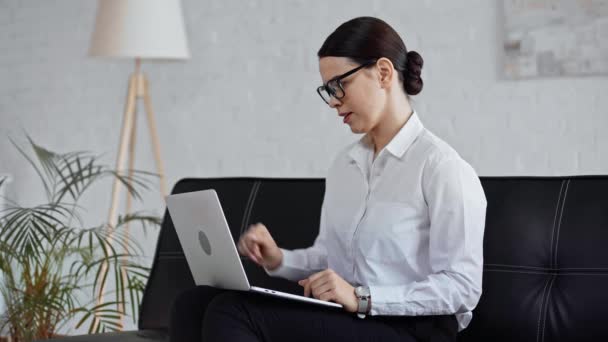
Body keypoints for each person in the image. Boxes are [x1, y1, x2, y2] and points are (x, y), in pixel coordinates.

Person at [169, 16, 487, 342]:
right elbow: (329, 257)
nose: (333, 101)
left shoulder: (443, 168)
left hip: (412, 329)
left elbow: (462, 288)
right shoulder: (345, 165)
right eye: (327, 89)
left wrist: (362, 297)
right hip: (351, 318)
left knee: (232, 313)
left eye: (340, 85)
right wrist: (278, 259)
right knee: (193, 303)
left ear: (383, 73)